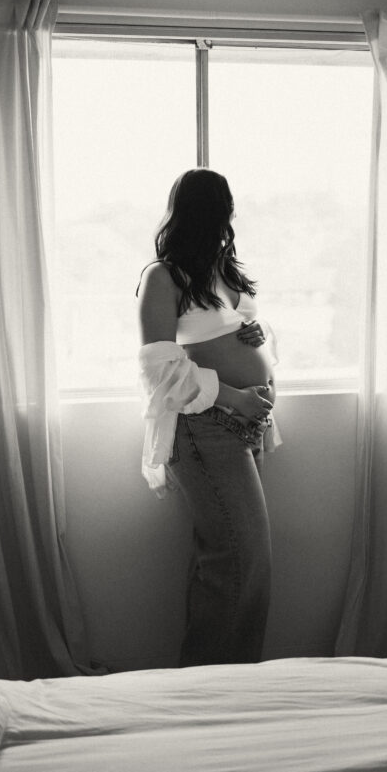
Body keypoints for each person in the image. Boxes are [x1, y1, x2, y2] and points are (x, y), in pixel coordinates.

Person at [137, 168, 280, 667]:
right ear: (203, 212)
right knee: (242, 565)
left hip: (244, 429)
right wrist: (234, 398)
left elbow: (237, 336)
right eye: (222, 208)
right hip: (205, 429)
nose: (229, 218)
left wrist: (261, 338)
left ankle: (224, 689)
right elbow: (159, 368)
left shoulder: (225, 272)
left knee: (227, 566)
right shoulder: (163, 277)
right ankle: (213, 694)